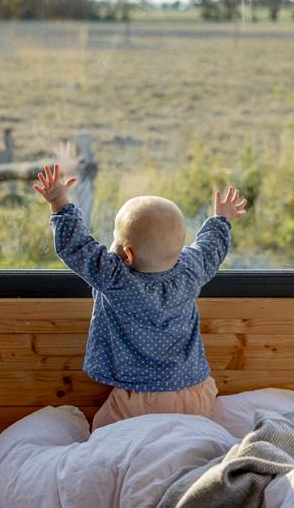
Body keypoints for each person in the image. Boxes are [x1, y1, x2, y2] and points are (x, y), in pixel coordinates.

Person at [33, 164, 248, 429]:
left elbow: (78, 247)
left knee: (102, 438)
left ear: (129, 254)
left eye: (114, 238)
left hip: (139, 399)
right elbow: (210, 248)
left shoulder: (116, 278)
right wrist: (220, 219)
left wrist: (59, 202)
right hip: (196, 392)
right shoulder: (191, 269)